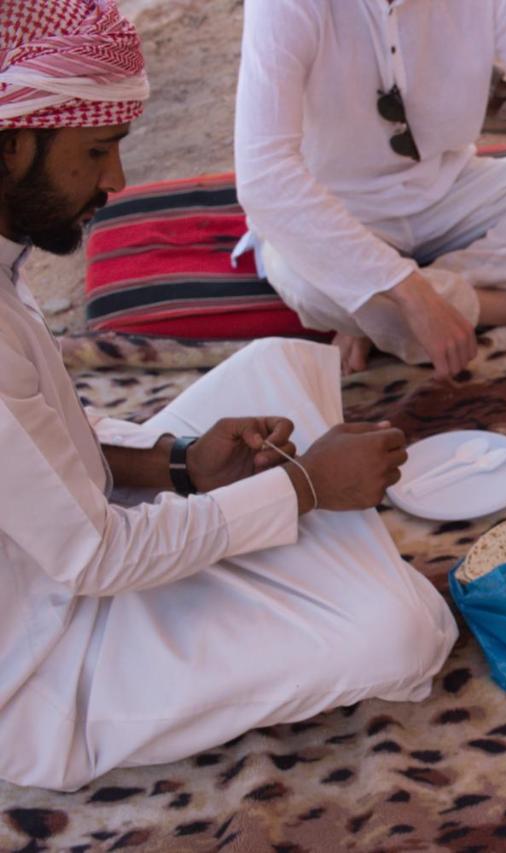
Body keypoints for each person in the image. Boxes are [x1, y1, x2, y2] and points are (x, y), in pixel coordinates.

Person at [0, 0, 456, 791]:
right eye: (98, 149)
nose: (117, 181)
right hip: (49, 659)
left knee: (283, 363)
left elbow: (44, 446)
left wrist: (181, 464)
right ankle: (332, 566)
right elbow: (95, 554)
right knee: (401, 634)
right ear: (13, 145)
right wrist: (303, 489)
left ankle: (313, 557)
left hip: (76, 540)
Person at [233, 0, 506, 377]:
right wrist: (409, 293)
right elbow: (264, 175)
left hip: (449, 190)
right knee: (306, 280)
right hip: (338, 209)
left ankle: (376, 317)